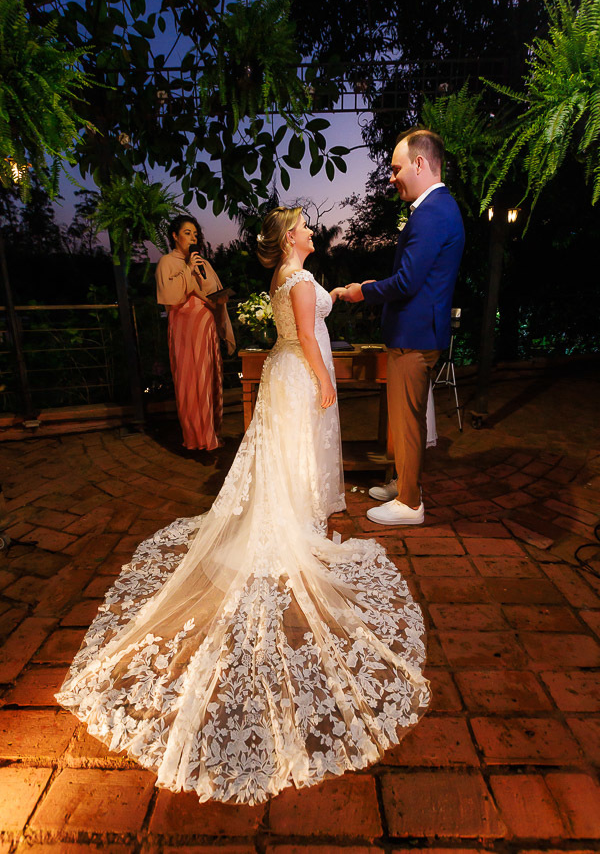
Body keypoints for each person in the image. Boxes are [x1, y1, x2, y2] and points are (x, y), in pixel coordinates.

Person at [56, 206, 430, 806]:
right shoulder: (299, 279)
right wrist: (326, 379)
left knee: (282, 455)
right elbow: (308, 335)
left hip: (283, 374)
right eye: (305, 225)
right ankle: (293, 524)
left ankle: (290, 512)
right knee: (293, 452)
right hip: (299, 372)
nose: (312, 230)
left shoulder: (288, 277)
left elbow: (299, 322)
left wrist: (326, 306)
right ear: (289, 238)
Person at [339, 128, 464, 526]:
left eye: (396, 169)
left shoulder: (432, 213)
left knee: (408, 421)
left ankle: (410, 503)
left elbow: (407, 282)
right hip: (416, 332)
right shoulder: (437, 209)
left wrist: (364, 291)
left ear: (420, 163)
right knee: (405, 417)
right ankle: (405, 482)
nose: (391, 177)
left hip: (414, 336)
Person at [155, 215, 235, 452]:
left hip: (206, 326)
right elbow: (169, 296)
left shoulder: (203, 263)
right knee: (190, 381)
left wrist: (213, 291)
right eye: (187, 233)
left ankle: (211, 433)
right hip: (185, 329)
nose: (193, 237)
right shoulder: (167, 262)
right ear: (175, 236)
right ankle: (195, 436)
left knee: (208, 379)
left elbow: (214, 292)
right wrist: (187, 271)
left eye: (195, 234)